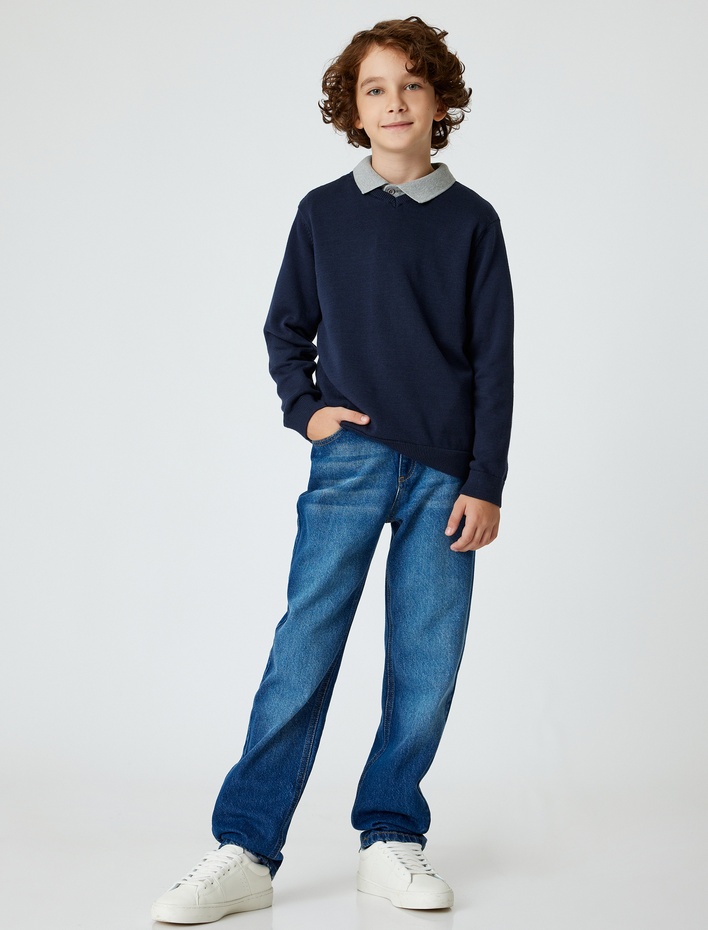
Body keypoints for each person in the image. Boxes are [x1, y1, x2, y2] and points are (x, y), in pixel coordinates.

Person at [151, 15, 514, 923]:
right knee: (304, 646)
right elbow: (286, 329)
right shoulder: (323, 212)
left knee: (426, 658)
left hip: (447, 477)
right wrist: (305, 409)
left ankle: (389, 837)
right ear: (352, 110)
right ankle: (246, 846)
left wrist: (486, 480)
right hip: (349, 462)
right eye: (374, 89)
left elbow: (496, 361)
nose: (394, 102)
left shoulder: (474, 221)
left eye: (412, 85)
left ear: (440, 101)